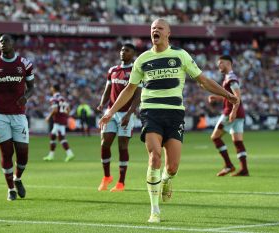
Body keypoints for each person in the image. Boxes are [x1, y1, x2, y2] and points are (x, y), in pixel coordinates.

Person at [99, 19, 239, 223]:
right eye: (152, 28)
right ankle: (154, 210)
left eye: (159, 28)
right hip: (150, 113)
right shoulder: (143, 59)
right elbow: (130, 89)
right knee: (154, 156)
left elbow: (203, 81)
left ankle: (166, 180)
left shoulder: (180, 55)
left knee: (172, 167)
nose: (155, 30)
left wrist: (227, 94)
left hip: (174, 115)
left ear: (168, 33)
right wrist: (110, 111)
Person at [0, 34, 34, 201]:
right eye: (0, 41)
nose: (2, 44)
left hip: (19, 114)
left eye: (5, 41)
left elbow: (31, 87)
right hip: (0, 113)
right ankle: (10, 189)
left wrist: (27, 96)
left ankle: (17, 178)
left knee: (23, 154)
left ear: (13, 44)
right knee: (6, 152)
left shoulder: (24, 64)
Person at [97, 43, 141, 192]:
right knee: (105, 143)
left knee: (122, 146)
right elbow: (107, 89)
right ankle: (106, 177)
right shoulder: (113, 70)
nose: (123, 52)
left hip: (125, 113)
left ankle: (121, 182)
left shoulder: (136, 71)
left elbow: (137, 95)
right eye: (122, 49)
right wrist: (102, 104)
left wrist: (130, 114)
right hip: (111, 112)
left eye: (127, 50)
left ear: (133, 54)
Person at [208, 55, 249, 177]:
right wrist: (217, 97)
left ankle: (228, 165)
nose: (218, 65)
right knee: (238, 142)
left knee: (215, 137)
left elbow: (237, 96)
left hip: (230, 112)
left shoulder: (231, 78)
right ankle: (244, 169)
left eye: (221, 63)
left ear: (228, 63)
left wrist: (233, 111)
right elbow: (230, 96)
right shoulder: (228, 77)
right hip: (239, 113)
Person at [43, 84, 75, 162]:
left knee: (60, 137)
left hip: (58, 120)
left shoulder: (54, 98)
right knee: (53, 136)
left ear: (53, 89)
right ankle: (51, 156)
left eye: (51, 87)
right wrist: (65, 116)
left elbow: (55, 110)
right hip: (62, 119)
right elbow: (68, 109)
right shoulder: (62, 98)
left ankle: (69, 154)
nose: (50, 89)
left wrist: (48, 117)